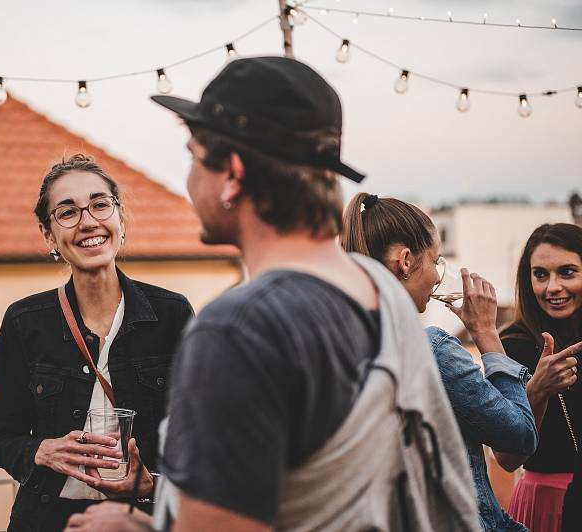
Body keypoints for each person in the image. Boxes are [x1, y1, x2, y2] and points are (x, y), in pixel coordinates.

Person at [65, 56, 479, 531]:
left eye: (194, 158)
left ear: (233, 175)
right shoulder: (379, 287)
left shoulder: (239, 329)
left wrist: (129, 527)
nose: (189, 179)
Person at [0, 154, 195, 531]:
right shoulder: (24, 322)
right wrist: (40, 450)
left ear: (119, 218)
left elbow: (200, 439)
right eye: (67, 212)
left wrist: (152, 485)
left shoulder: (172, 316)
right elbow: (2, 436)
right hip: (48, 520)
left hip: (140, 519)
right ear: (49, 235)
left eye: (100, 205)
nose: (88, 222)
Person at [341, 192, 540, 531]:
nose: (436, 277)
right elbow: (519, 437)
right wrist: (486, 333)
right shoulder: (431, 350)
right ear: (405, 261)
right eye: (435, 261)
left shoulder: (335, 345)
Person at [496, 223, 582, 532]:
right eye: (541, 274)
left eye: (568, 272)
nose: (552, 287)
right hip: (546, 503)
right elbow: (506, 458)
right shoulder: (515, 344)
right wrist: (538, 389)